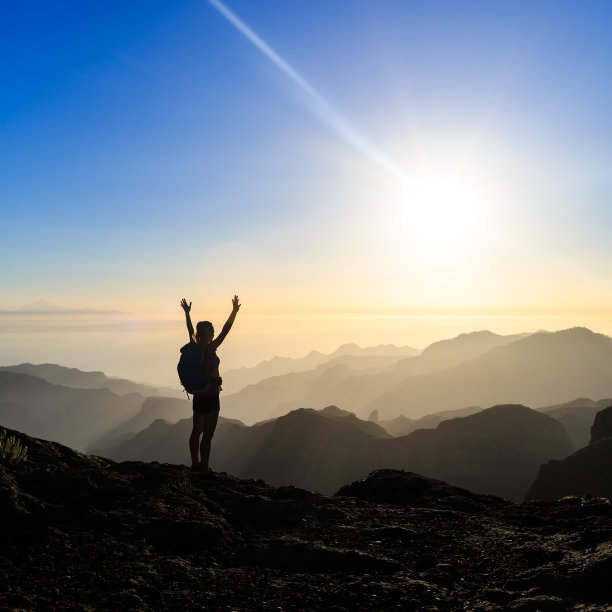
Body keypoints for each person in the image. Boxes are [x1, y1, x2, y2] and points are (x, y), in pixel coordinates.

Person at [180, 295, 240, 476]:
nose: (213, 333)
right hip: (212, 395)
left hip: (199, 395)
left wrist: (187, 314)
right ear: (209, 334)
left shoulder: (194, 346)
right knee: (207, 435)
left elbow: (190, 330)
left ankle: (195, 464)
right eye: (211, 331)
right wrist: (234, 312)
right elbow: (226, 330)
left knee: (196, 432)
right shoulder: (211, 347)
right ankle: (204, 470)